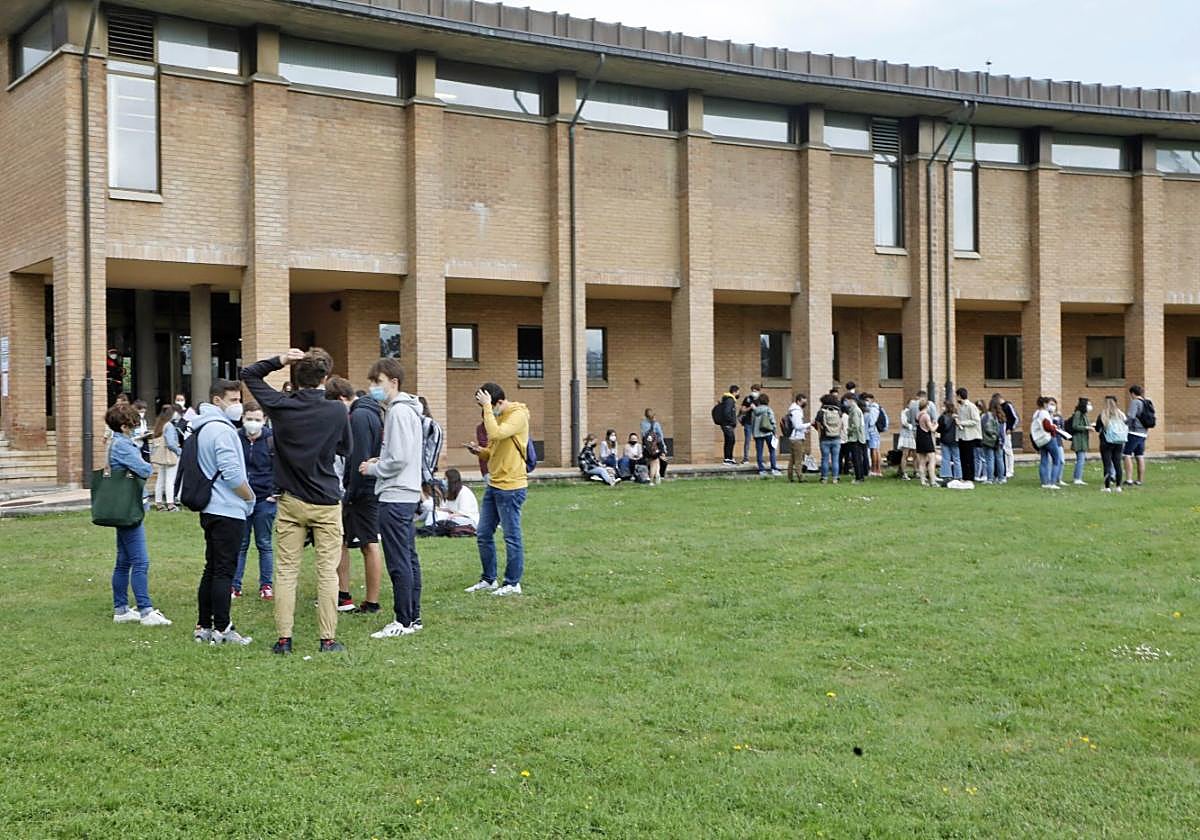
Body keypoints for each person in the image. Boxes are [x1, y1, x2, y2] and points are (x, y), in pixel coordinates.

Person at [242, 348, 352, 655]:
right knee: (327, 571)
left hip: (290, 500)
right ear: (325, 378)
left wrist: (280, 360)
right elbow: (346, 448)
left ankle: (284, 639)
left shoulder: (281, 406)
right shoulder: (336, 411)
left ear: (296, 375)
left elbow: (248, 374)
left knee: (287, 571)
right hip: (327, 500)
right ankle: (327, 639)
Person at [359, 358, 425, 637]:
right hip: (406, 492)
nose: (373, 387)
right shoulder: (408, 410)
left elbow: (398, 458)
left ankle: (403, 620)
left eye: (378, 382)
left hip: (395, 494)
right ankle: (414, 616)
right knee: (409, 556)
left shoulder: (398, 412)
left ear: (394, 382)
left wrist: (373, 468)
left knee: (399, 559)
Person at [191, 380, 255, 645]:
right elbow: (232, 473)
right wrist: (249, 496)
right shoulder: (222, 431)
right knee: (224, 571)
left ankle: (204, 625)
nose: (237, 406)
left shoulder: (202, 427)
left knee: (212, 567)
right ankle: (223, 628)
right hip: (228, 508)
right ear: (217, 401)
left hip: (210, 507)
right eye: (233, 400)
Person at [105, 403, 172, 628]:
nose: (135, 427)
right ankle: (145, 610)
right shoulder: (123, 446)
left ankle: (121, 608)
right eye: (133, 424)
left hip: (123, 505)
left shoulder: (117, 441)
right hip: (130, 507)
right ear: (124, 426)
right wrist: (143, 453)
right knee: (140, 561)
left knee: (123, 561)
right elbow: (144, 470)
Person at [464, 382, 530, 596]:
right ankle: (488, 579)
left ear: (499, 402)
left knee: (511, 536)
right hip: (494, 483)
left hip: (512, 486)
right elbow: (492, 450)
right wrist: (479, 451)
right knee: (483, 533)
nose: (486, 411)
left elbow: (497, 433)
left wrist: (486, 409)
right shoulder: (497, 416)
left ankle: (512, 583)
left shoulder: (517, 414)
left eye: (489, 405)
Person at [334, 382, 385, 615]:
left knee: (367, 543)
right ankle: (344, 595)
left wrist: (351, 492)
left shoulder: (359, 417)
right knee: (344, 541)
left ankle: (369, 601)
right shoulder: (371, 411)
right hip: (366, 488)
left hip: (362, 490)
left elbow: (359, 458)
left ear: (342, 398)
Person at [232, 402, 276, 602]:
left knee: (264, 543)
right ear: (243, 418)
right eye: (249, 419)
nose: (253, 423)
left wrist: (274, 492)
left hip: (264, 499)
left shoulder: (271, 440)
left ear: (264, 420)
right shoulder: (235, 438)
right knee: (240, 544)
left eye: (257, 419)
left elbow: (279, 467)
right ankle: (235, 585)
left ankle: (266, 585)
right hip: (241, 498)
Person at [1032, 396, 1070, 490]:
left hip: (1040, 439)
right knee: (1056, 460)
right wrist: (1054, 428)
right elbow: (1047, 426)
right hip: (1048, 438)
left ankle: (1044, 482)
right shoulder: (1044, 413)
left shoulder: (1036, 413)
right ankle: (1052, 482)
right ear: (1045, 404)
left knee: (1044, 460)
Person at [149, 405, 182, 512]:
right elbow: (171, 443)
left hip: (161, 456)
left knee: (160, 479)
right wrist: (179, 451)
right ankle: (170, 504)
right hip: (170, 456)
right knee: (170, 481)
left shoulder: (160, 424)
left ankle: (159, 504)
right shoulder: (170, 426)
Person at [1095, 396, 1127, 493]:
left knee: (1107, 464)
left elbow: (1097, 428)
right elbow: (1126, 423)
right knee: (1118, 464)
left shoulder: (1103, 415)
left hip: (1106, 442)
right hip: (1119, 441)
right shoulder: (1121, 415)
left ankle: (1107, 487)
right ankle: (1118, 486)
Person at [437, 468, 479, 533]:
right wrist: (438, 509)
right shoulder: (450, 492)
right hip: (454, 516)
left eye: (445, 479)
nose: (443, 481)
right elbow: (449, 508)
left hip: (469, 519)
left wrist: (451, 515)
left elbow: (464, 512)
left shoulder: (464, 492)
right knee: (438, 514)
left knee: (452, 520)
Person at [1123, 385, 1150, 486]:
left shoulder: (1135, 402)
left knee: (1127, 454)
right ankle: (1140, 480)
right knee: (1139, 455)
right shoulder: (1146, 402)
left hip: (1134, 432)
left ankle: (1129, 479)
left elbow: (1131, 416)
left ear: (1132, 393)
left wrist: (1123, 424)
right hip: (1143, 432)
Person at [750, 394, 781, 477]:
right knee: (772, 450)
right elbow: (772, 421)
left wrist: (753, 433)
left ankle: (761, 469)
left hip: (757, 434)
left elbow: (752, 423)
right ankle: (773, 468)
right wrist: (774, 431)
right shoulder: (768, 409)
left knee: (759, 452)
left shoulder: (754, 411)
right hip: (768, 432)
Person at [815, 393, 842, 484]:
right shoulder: (838, 411)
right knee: (835, 459)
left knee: (825, 459)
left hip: (824, 438)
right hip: (836, 437)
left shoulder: (821, 412)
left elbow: (818, 426)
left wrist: (819, 437)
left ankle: (824, 478)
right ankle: (835, 478)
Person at [956, 388, 981, 483]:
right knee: (963, 457)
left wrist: (962, 423)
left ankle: (970, 477)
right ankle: (965, 476)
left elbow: (976, 420)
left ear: (959, 396)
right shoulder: (960, 407)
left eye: (957, 396)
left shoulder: (971, 406)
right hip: (961, 435)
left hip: (970, 436)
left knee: (969, 457)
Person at [785, 393, 810, 482]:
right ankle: (800, 477)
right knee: (798, 459)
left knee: (792, 459)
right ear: (799, 401)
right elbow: (798, 426)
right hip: (797, 438)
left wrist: (804, 430)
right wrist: (809, 424)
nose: (805, 404)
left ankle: (790, 477)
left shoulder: (793, 410)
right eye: (804, 402)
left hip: (794, 437)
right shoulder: (796, 411)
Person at [994, 393, 1019, 479]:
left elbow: (1015, 418)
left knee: (1008, 450)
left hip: (1007, 431)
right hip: (1002, 431)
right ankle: (1006, 469)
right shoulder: (1000, 408)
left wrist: (1011, 428)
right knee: (1004, 450)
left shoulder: (1008, 405)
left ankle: (1010, 470)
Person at [1068, 396, 1092, 486]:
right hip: (1079, 439)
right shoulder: (1078, 414)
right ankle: (1077, 478)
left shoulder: (1084, 414)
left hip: (1083, 439)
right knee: (1080, 459)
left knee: (1081, 459)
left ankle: (1078, 477)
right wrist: (1086, 427)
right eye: (1088, 404)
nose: (1090, 406)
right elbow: (1075, 426)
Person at [914, 398, 938, 486]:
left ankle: (923, 481)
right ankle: (933, 481)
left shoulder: (918, 415)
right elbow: (931, 429)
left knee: (922, 461)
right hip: (926, 438)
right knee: (932, 459)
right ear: (927, 406)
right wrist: (936, 424)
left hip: (919, 438)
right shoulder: (926, 415)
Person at [844, 396, 868, 483]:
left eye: (847, 400)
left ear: (852, 401)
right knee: (857, 458)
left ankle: (859, 477)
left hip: (855, 438)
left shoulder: (854, 410)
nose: (846, 402)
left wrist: (848, 430)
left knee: (856, 458)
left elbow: (856, 425)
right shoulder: (855, 410)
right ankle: (860, 476)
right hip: (858, 437)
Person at [936, 399, 961, 481]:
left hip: (944, 439)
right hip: (955, 440)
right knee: (956, 458)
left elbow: (939, 429)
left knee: (945, 458)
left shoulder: (942, 417)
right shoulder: (957, 416)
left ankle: (946, 475)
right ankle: (958, 475)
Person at [641, 409, 668, 482]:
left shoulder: (643, 424)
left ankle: (652, 476)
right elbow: (660, 436)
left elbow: (643, 436)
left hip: (648, 446)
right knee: (656, 462)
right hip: (657, 445)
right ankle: (657, 474)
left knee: (651, 462)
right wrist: (663, 447)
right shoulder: (656, 424)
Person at [977, 399, 999, 484]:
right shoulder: (996, 415)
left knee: (988, 459)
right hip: (995, 439)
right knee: (993, 458)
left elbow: (982, 427)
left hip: (986, 439)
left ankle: (989, 478)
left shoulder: (986, 415)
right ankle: (995, 477)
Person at [864, 394, 886, 477]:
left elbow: (871, 422)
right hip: (875, 431)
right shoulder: (879, 408)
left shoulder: (873, 409)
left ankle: (875, 469)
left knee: (874, 450)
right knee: (876, 450)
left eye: (867, 400)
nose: (866, 402)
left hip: (872, 431)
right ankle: (877, 470)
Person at [717, 385, 740, 465]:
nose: (738, 394)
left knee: (729, 441)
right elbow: (727, 413)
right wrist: (732, 421)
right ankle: (727, 458)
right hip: (727, 424)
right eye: (738, 392)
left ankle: (729, 458)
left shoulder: (728, 400)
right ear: (734, 392)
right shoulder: (730, 400)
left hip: (727, 424)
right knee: (730, 441)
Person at [739, 384, 761, 464]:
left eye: (755, 391)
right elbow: (742, 410)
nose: (754, 392)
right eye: (753, 391)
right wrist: (750, 408)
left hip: (757, 423)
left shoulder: (761, 399)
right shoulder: (748, 399)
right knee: (747, 440)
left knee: (759, 441)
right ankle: (746, 458)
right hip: (748, 422)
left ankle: (760, 457)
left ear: (759, 391)